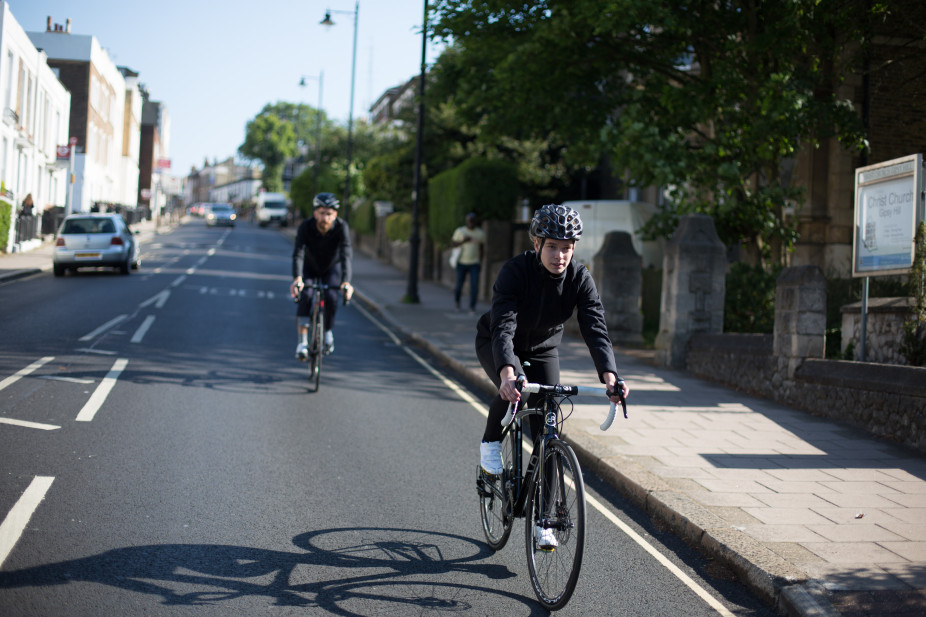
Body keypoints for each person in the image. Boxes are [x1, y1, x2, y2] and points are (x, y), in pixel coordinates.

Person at [475, 203, 630, 550]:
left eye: (567, 247)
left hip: (544, 349)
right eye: (552, 246)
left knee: (549, 435)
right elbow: (503, 326)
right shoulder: (515, 272)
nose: (560, 255)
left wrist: (610, 376)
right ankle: (489, 445)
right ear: (536, 244)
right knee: (519, 393)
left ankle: (544, 522)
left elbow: (595, 327)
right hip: (500, 343)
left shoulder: (579, 277)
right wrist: (507, 373)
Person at [289, 192, 354, 359]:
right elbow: (298, 253)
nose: (325, 217)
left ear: (335, 215)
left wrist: (346, 282)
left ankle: (327, 332)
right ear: (315, 213)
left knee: (332, 297)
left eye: (329, 214)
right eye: (322, 213)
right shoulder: (305, 227)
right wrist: (297, 278)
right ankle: (302, 343)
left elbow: (346, 255)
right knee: (306, 294)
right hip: (310, 267)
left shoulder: (341, 227)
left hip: (331, 268)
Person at [450, 212, 486, 313]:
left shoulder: (480, 233)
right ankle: (457, 302)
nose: (471, 223)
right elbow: (452, 244)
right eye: (469, 221)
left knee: (474, 286)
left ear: (475, 222)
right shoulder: (460, 231)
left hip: (474, 263)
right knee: (459, 285)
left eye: (473, 221)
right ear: (466, 221)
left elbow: (482, 248)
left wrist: (481, 262)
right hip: (461, 262)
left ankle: (472, 307)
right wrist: (463, 241)